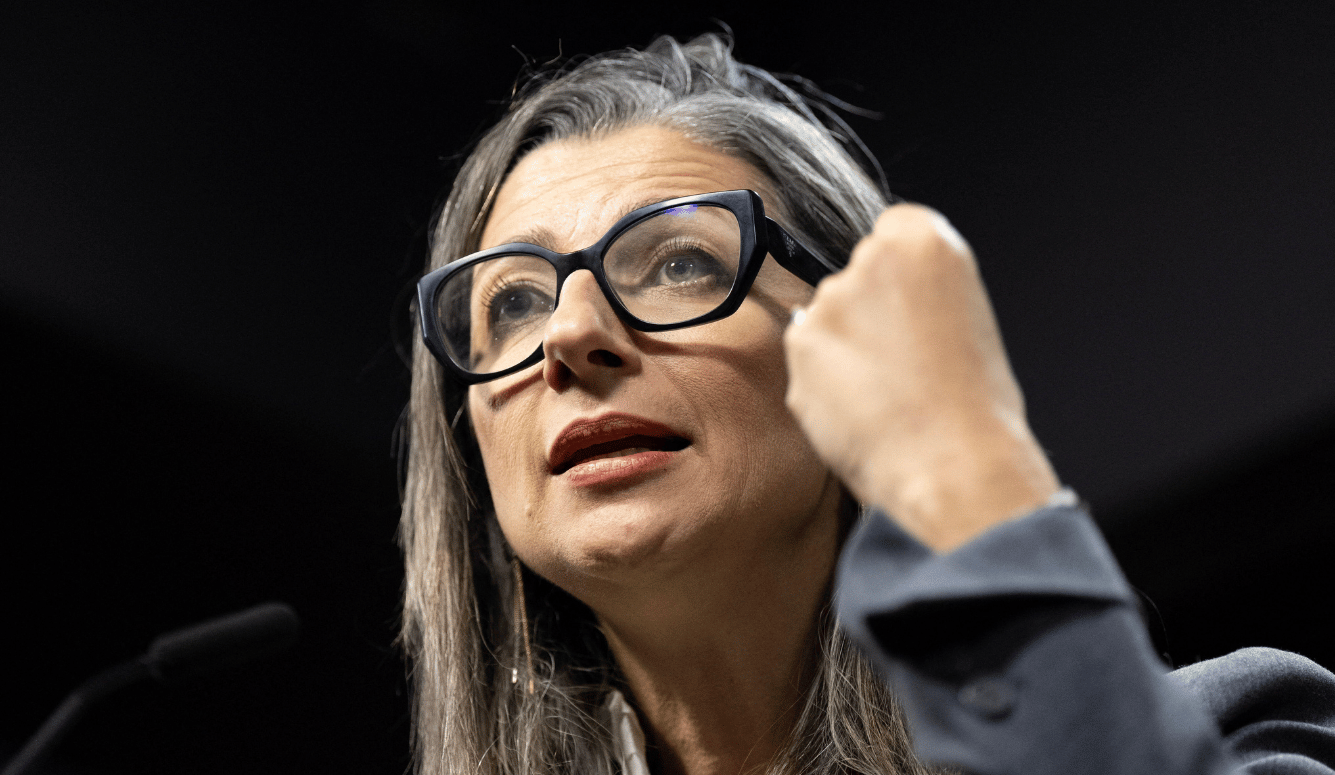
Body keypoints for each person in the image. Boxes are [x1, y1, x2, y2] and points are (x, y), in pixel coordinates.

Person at [398, 33, 1335, 775]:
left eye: (682, 264)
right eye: (513, 301)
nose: (567, 333)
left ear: (865, 342)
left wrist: (959, 467)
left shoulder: (1235, 729)